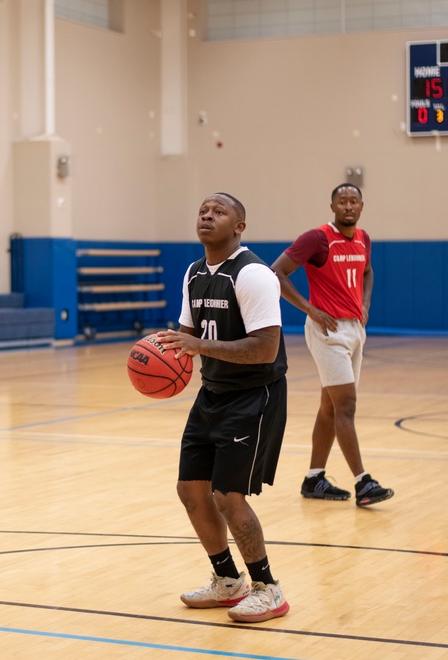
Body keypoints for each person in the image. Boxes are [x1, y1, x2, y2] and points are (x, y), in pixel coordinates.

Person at [156, 193, 290, 623]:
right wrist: (161, 355)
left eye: (218, 211)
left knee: (228, 496)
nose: (207, 216)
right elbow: (186, 336)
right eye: (202, 211)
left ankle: (268, 589)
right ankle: (228, 581)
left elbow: (266, 349)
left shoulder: (252, 275)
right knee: (191, 490)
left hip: (254, 395)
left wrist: (198, 345)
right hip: (211, 392)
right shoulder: (194, 273)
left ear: (239, 227)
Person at [270, 183, 393, 507]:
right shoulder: (318, 238)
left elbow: (368, 272)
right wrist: (310, 309)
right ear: (333, 206)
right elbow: (277, 272)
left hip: (355, 330)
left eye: (354, 201)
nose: (348, 206)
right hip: (328, 332)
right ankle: (363, 483)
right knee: (346, 405)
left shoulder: (363, 239)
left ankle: (314, 478)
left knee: (329, 407)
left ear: (362, 206)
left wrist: (365, 302)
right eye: (343, 202)